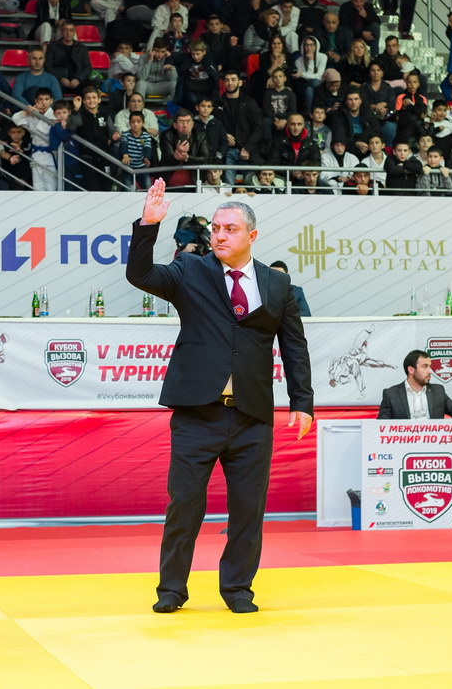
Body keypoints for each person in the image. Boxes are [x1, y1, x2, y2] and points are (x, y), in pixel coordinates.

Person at [127, 185, 313, 614]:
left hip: (252, 416)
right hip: (197, 413)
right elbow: (140, 275)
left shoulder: (278, 283)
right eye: (215, 228)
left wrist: (302, 402)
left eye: (230, 228)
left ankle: (238, 589)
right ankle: (172, 589)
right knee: (184, 505)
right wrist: (148, 225)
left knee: (248, 510)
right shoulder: (189, 268)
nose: (220, 235)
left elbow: (294, 347)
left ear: (252, 235)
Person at [379, 350, 452, 420]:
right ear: (411, 370)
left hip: (434, 446)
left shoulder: (438, 391)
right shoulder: (391, 394)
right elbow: (381, 426)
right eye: (425, 366)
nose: (430, 371)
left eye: (430, 367)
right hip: (403, 446)